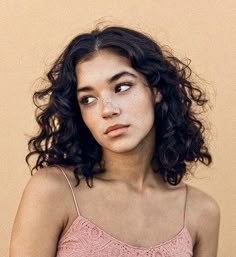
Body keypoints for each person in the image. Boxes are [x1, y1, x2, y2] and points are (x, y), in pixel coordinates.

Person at [9, 24, 220, 257]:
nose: (107, 110)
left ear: (156, 90)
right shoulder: (54, 191)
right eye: (88, 99)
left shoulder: (200, 212)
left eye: (122, 87)